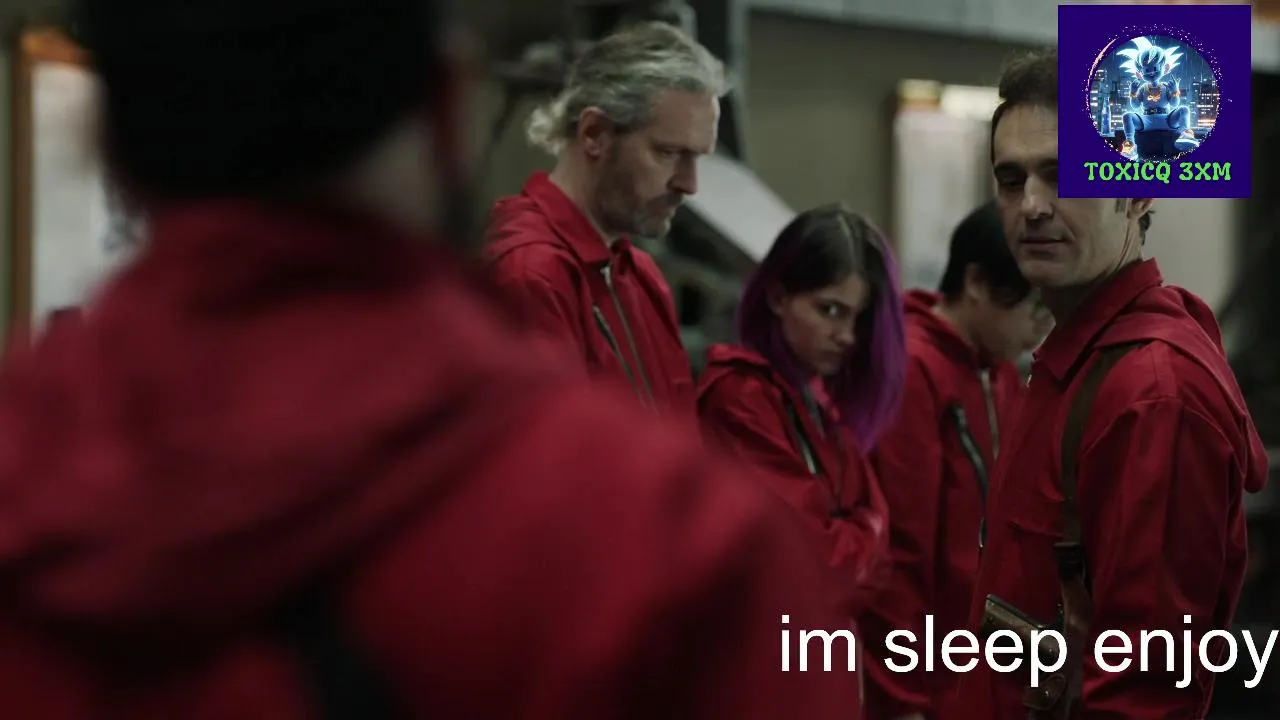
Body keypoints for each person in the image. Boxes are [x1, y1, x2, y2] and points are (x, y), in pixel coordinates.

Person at [0, 2, 872, 718]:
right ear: (450, 110)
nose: (688, 184)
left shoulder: (32, 473)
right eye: (671, 155)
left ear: (105, 143)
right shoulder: (660, 532)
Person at [955, 48, 1269, 719]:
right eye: (1011, 180)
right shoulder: (1077, 365)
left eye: (1062, 174)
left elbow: (1145, 693)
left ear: (1140, 193)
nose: (1031, 205)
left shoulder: (1151, 393)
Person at [697, 204, 908, 718]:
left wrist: (857, 538)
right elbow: (819, 566)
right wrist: (865, 531)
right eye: (829, 310)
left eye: (856, 318)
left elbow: (876, 566)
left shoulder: (816, 406)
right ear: (777, 296)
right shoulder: (739, 398)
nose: (847, 336)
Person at [860, 201, 1051, 720]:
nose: (1040, 328)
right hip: (929, 678)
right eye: (1032, 308)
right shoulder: (914, 370)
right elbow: (902, 550)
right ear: (976, 283)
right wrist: (902, 701)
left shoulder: (999, 372)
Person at [483, 21, 722, 418]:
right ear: (594, 134)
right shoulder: (531, 276)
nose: (690, 184)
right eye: (668, 153)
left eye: (698, 158)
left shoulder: (641, 275)